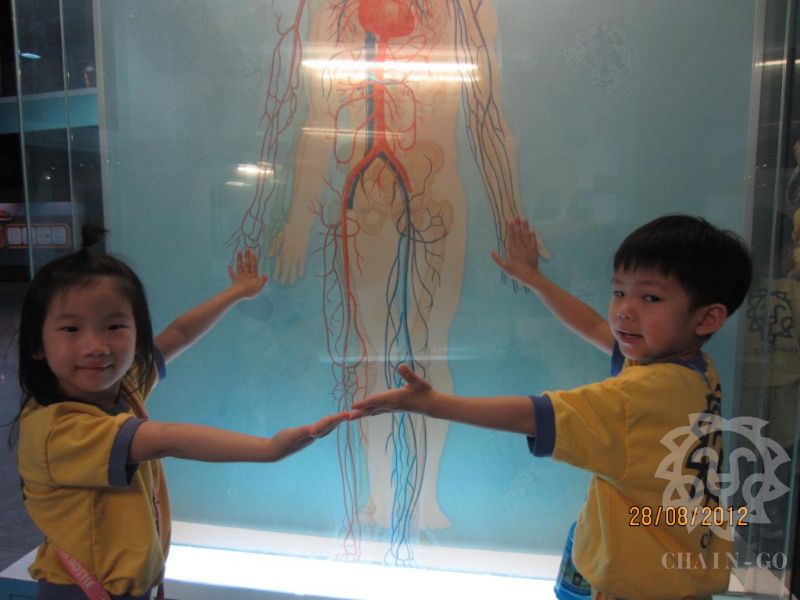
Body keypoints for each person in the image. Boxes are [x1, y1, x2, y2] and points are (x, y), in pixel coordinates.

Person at [229, 0, 549, 561]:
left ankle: (425, 500)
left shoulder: (469, 7)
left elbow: (488, 114)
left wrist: (509, 217)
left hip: (435, 192)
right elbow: (318, 117)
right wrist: (298, 219)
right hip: (363, 197)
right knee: (368, 354)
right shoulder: (333, 9)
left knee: (431, 349)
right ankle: (378, 496)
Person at [350, 214, 753, 599]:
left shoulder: (645, 393)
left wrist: (434, 404)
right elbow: (595, 327)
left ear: (707, 319)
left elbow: (536, 415)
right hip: (662, 555)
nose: (625, 310)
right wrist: (533, 278)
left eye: (651, 297)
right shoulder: (692, 368)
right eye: (619, 291)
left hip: (637, 583)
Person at [11, 225, 347, 600]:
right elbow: (167, 439)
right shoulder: (56, 430)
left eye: (114, 326)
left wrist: (236, 293)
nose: (96, 346)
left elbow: (179, 335)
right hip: (80, 591)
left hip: (123, 586)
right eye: (71, 328)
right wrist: (268, 449)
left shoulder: (121, 387)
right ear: (37, 344)